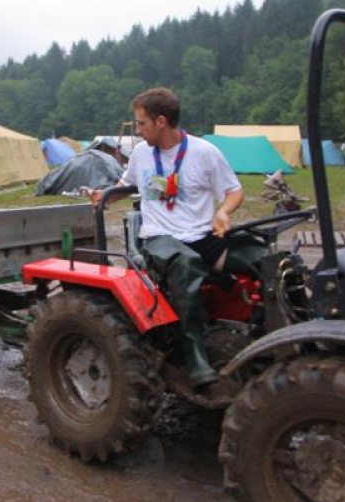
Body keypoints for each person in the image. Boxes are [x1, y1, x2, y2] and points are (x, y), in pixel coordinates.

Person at [91, 88, 243, 387]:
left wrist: (224, 211)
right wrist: (105, 197)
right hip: (159, 238)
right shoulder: (140, 154)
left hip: (200, 234)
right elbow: (126, 186)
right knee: (185, 264)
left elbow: (234, 191)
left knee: (256, 257)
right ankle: (195, 356)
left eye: (142, 123)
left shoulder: (204, 152)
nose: (138, 130)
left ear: (161, 121)